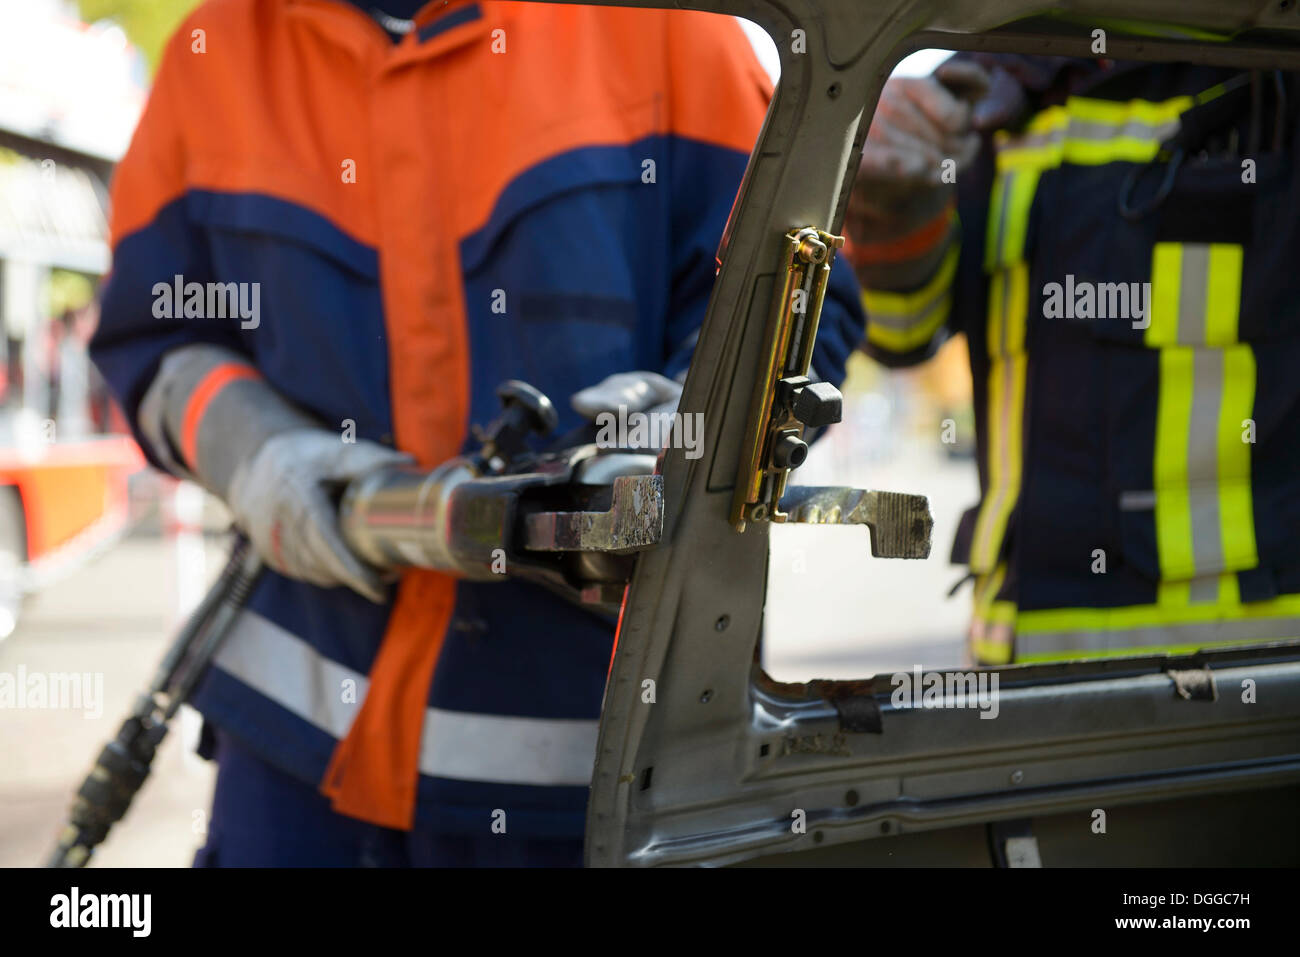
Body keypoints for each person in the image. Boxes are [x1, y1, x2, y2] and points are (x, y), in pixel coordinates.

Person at [90, 0, 866, 866]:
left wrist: (690, 419)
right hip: (296, 774)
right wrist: (255, 451)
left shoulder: (665, 30)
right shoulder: (219, 52)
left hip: (593, 779)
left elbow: (803, 287)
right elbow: (152, 333)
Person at [848, 50, 1300, 665]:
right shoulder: (992, 83)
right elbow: (898, 333)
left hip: (1247, 673)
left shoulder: (1267, 64)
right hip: (1017, 664)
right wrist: (888, 205)